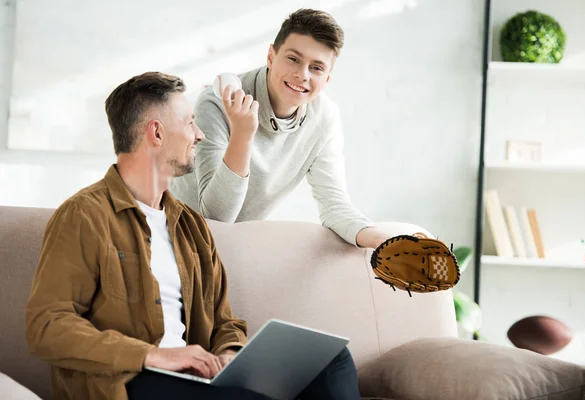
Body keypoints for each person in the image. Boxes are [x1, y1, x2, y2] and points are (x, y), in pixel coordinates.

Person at [25, 72, 361, 400]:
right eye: (189, 123)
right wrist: (152, 355)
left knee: (333, 361)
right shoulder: (84, 215)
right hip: (128, 382)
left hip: (196, 381)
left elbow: (225, 323)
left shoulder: (190, 226)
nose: (199, 135)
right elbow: (47, 326)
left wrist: (230, 355)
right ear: (156, 133)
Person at [170, 9, 393, 249]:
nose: (302, 75)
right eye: (293, 59)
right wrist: (243, 135)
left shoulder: (324, 118)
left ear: (327, 78)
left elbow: (334, 205)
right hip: (180, 238)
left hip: (238, 248)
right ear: (270, 56)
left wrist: (382, 240)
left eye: (316, 68)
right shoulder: (217, 102)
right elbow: (215, 217)